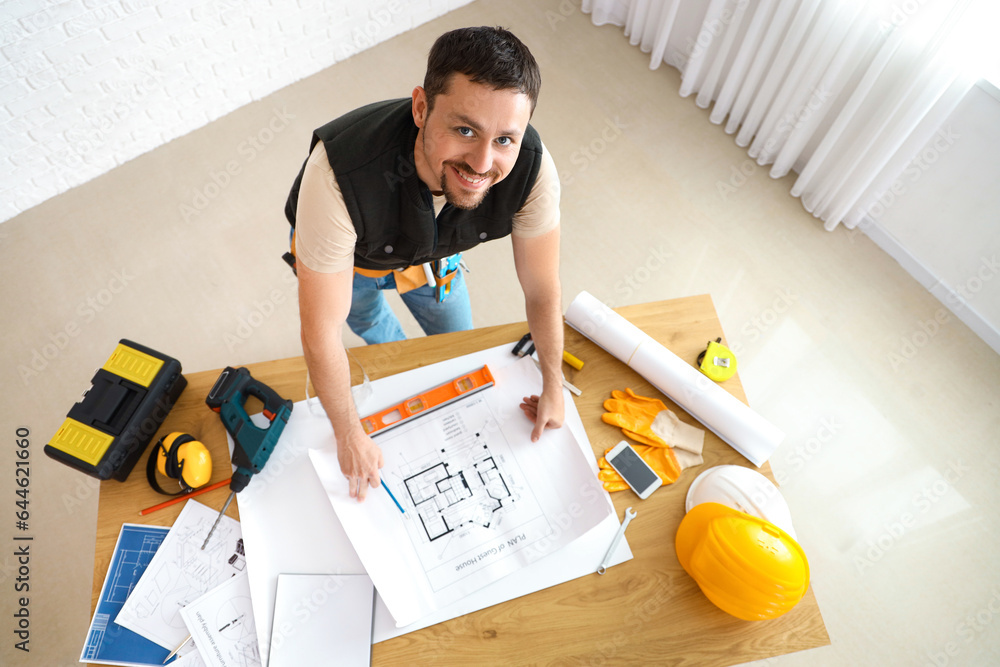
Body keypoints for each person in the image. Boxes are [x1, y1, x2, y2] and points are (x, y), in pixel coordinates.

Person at [284, 26, 564, 501]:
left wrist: (553, 380)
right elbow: (320, 331)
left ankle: (420, 371)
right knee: (367, 318)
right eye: (464, 130)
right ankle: (396, 366)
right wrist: (348, 433)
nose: (482, 163)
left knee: (455, 343)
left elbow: (542, 289)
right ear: (420, 108)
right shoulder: (336, 178)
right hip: (357, 264)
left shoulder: (534, 171)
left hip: (436, 259)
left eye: (504, 140)